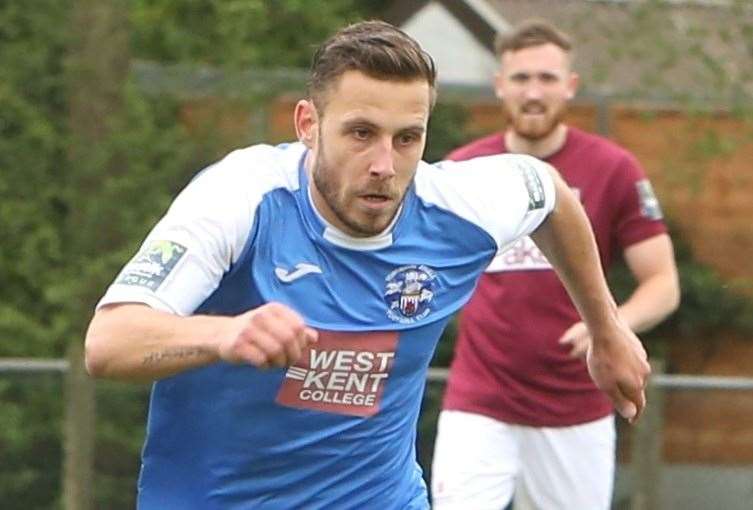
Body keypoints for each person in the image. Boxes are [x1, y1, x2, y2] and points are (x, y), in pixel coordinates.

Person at [84, 20, 650, 510]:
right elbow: (109, 342)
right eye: (360, 133)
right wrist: (223, 335)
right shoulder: (242, 198)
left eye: (408, 138)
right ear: (308, 124)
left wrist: (607, 329)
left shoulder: (457, 206)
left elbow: (548, 192)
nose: (384, 164)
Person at [431, 19, 680, 510]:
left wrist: (609, 325)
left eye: (547, 78)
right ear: (500, 86)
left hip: (576, 408)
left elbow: (664, 283)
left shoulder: (613, 168)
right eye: (521, 79)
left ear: (570, 87)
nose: (533, 92)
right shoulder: (462, 171)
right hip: (479, 404)